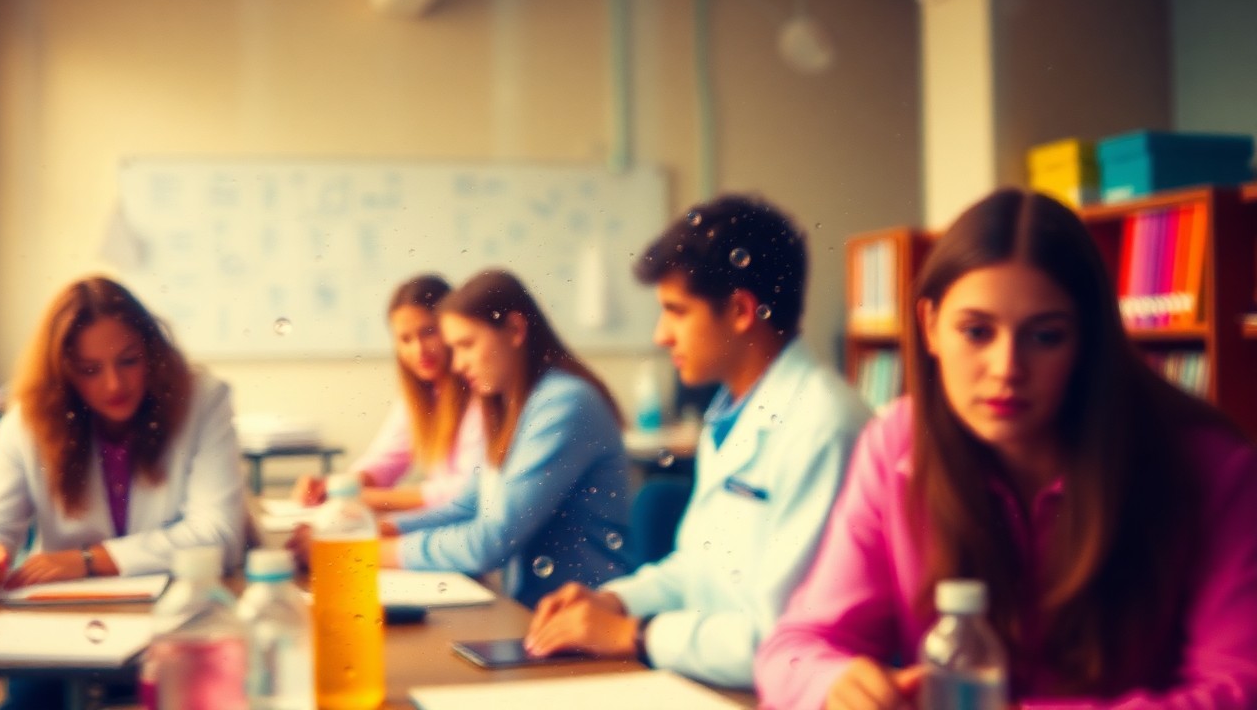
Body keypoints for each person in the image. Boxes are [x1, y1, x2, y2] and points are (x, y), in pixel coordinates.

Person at [755, 189, 1257, 709]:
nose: (1006, 368)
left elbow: (1240, 690)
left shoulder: (1213, 467)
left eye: (1044, 337)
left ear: (1086, 340)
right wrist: (831, 682)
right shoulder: (896, 443)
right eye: (976, 332)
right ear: (930, 327)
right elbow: (793, 647)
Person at [523, 194, 872, 688]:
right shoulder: (732, 413)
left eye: (675, 311)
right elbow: (699, 568)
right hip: (708, 680)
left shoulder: (824, 427)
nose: (661, 334)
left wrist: (634, 633)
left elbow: (780, 643)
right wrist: (615, 601)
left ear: (740, 310)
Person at [0, 276, 246, 709]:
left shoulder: (203, 400)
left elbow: (219, 535)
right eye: (90, 369)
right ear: (63, 370)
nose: (113, 385)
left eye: (129, 361)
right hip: (63, 632)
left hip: (179, 621)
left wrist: (86, 560)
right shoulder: (28, 422)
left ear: (153, 354)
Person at [289, 268, 633, 607]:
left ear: (514, 329)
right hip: (533, 613)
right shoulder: (513, 405)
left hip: (580, 618)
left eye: (467, 345)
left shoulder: (563, 403)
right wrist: (384, 530)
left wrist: (355, 553)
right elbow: (466, 506)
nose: (456, 365)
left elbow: (490, 542)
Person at [291, 274, 485, 512]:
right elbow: (385, 460)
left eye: (428, 332)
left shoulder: (480, 390)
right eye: (405, 339)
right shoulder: (421, 397)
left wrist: (361, 499)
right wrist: (333, 487)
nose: (419, 350)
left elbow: (464, 491)